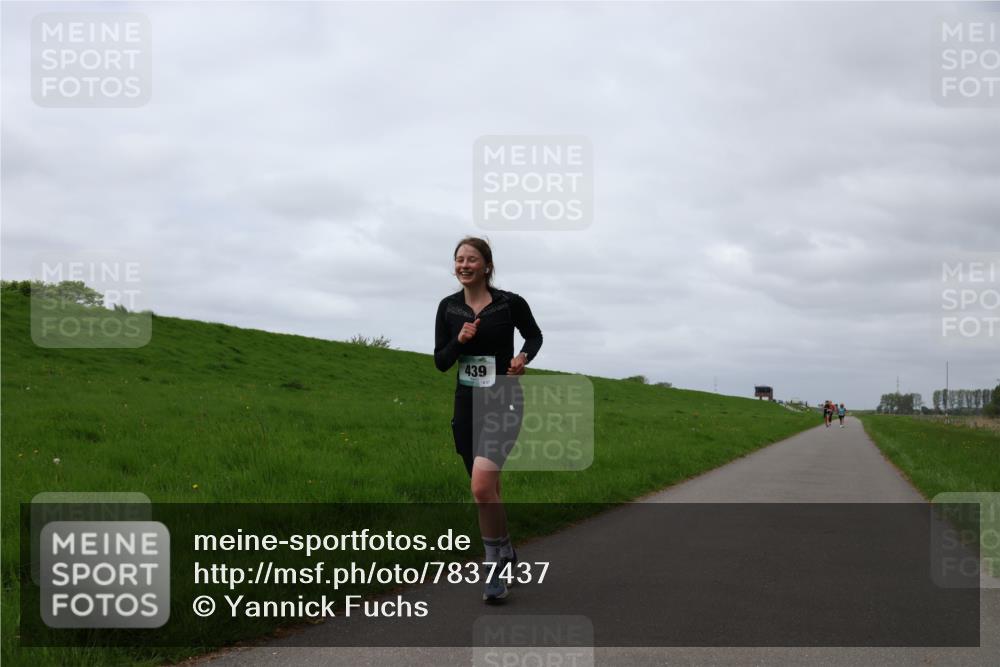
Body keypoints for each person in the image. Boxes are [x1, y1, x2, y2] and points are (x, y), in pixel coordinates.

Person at [434, 236, 542, 603]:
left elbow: (534, 335)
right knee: (489, 493)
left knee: (481, 488)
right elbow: (441, 361)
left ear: (487, 266)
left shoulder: (509, 304)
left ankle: (494, 569)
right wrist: (460, 340)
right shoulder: (448, 308)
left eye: (472, 260)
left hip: (503, 401)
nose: (464, 265)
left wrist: (523, 357)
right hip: (466, 406)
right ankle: (507, 548)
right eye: (459, 259)